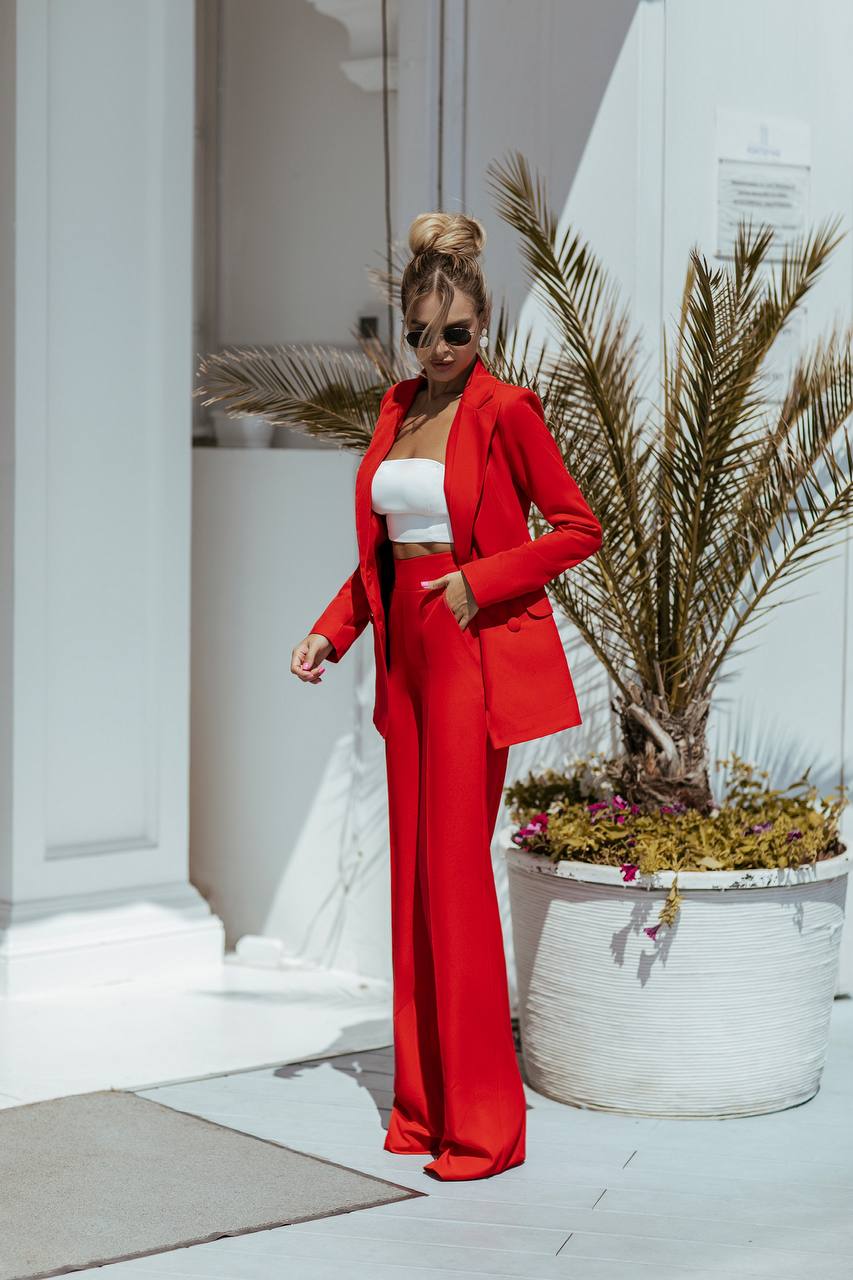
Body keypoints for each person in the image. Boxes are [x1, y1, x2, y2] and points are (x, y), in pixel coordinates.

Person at [291, 211, 602, 1181]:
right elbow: (383, 552)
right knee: (413, 882)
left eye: (453, 332)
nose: (435, 350)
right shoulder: (394, 409)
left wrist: (481, 581)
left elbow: (577, 526)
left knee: (457, 880)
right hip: (404, 661)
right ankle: (421, 1109)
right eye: (419, 332)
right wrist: (331, 628)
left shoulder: (505, 410)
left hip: (465, 650)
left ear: (484, 325)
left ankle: (485, 1126)